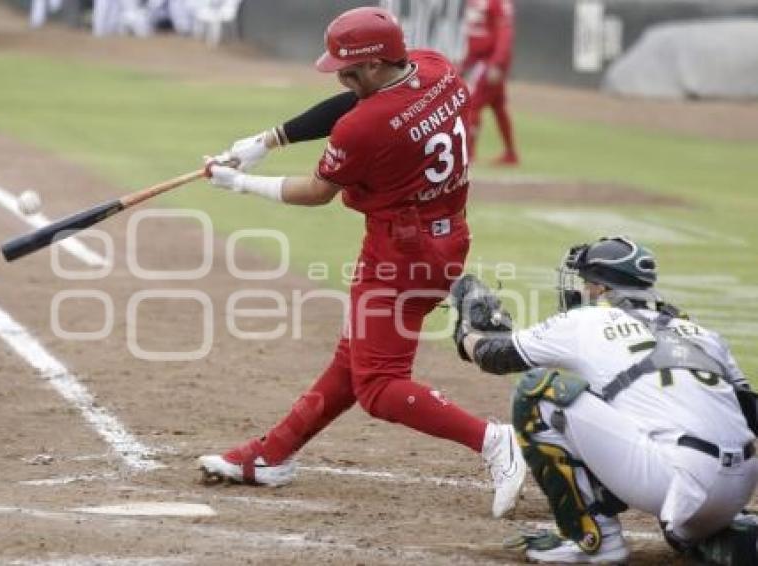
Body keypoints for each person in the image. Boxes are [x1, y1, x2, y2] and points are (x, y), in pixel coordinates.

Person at [197, 6, 527, 519]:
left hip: (398, 255)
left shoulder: (367, 128)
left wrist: (238, 182)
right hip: (446, 239)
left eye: (350, 70)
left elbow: (315, 191)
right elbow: (358, 104)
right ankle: (271, 455)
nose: (343, 79)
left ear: (375, 65)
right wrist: (268, 140)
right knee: (356, 360)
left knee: (378, 384)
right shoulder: (434, 67)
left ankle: (493, 441)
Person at [450, 235, 758, 563]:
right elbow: (749, 411)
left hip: (676, 482)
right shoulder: (702, 333)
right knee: (634, 401)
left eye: (585, 283)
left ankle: (594, 540)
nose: (581, 290)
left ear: (599, 288)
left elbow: (495, 356)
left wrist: (467, 332)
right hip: (737, 491)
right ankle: (713, 530)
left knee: (540, 391)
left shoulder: (586, 320)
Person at [459, 0, 519, 166]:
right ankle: (511, 153)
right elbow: (475, 35)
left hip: (490, 62)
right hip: (480, 60)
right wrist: (466, 63)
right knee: (498, 106)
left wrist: (497, 63)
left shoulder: (499, 2)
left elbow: (505, 33)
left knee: (472, 103)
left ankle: (468, 154)